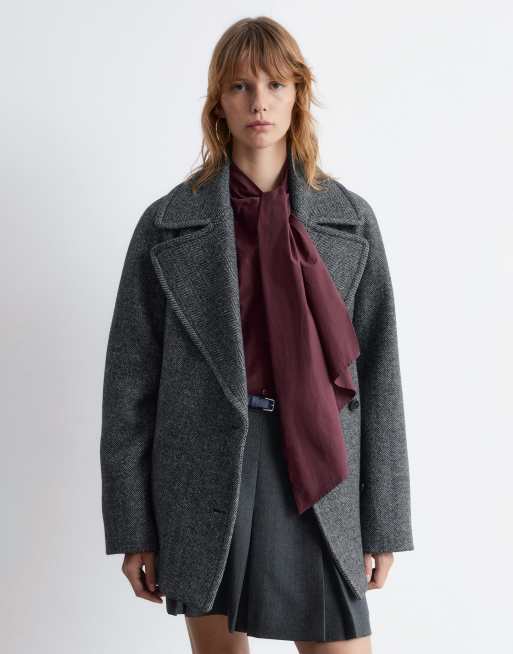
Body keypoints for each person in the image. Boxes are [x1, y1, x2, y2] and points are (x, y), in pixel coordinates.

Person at [100, 15, 414, 654]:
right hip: (204, 471)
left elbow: (380, 378)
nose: (259, 102)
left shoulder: (350, 221)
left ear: (299, 94)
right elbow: (129, 387)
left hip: (319, 468)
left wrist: (384, 521)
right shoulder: (166, 224)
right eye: (240, 86)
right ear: (218, 101)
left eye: (275, 84)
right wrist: (134, 528)